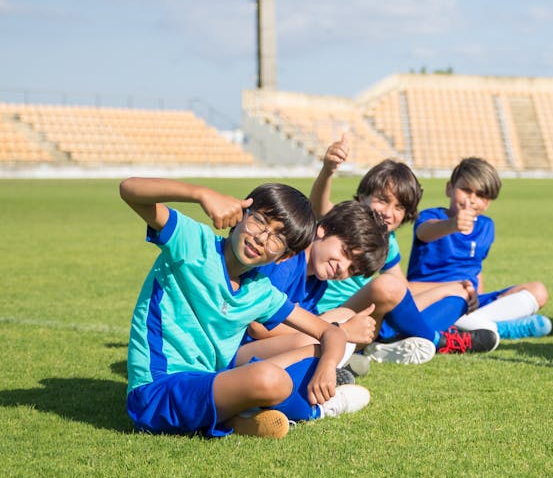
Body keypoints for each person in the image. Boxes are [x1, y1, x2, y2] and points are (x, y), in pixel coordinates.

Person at [121, 178, 370, 439]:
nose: (262, 239)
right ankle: (315, 409)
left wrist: (328, 366)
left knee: (317, 351)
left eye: (277, 239)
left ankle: (236, 415)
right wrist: (201, 193)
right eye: (259, 222)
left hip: (214, 381)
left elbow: (331, 333)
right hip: (157, 392)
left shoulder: (259, 291)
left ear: (284, 256)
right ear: (241, 213)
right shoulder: (192, 242)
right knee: (269, 379)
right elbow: (129, 190)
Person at [309, 136, 484, 364]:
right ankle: (435, 339)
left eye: (399, 207)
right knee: (385, 288)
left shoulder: (388, 242)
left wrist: (450, 287)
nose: (388, 212)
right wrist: (328, 170)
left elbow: (402, 289)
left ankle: (389, 344)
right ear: (362, 196)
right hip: (331, 316)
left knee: (458, 297)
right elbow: (319, 207)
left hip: (368, 318)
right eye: (382, 200)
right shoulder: (348, 223)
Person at [236, 199, 396, 380]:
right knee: (316, 338)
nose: (343, 268)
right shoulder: (286, 260)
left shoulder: (317, 284)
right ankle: (320, 378)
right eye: (345, 253)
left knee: (343, 314)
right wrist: (338, 330)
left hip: (263, 355)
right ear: (324, 229)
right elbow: (257, 328)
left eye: (352, 270)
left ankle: (324, 375)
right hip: (236, 353)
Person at [406, 157, 551, 348]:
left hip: (471, 299)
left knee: (538, 291)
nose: (472, 199)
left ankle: (474, 326)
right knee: (408, 294)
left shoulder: (486, 226)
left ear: (488, 203)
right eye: (466, 190)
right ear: (449, 188)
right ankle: (497, 328)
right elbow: (425, 232)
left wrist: (478, 296)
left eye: (481, 195)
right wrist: (452, 225)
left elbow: (476, 265)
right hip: (433, 295)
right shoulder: (432, 217)